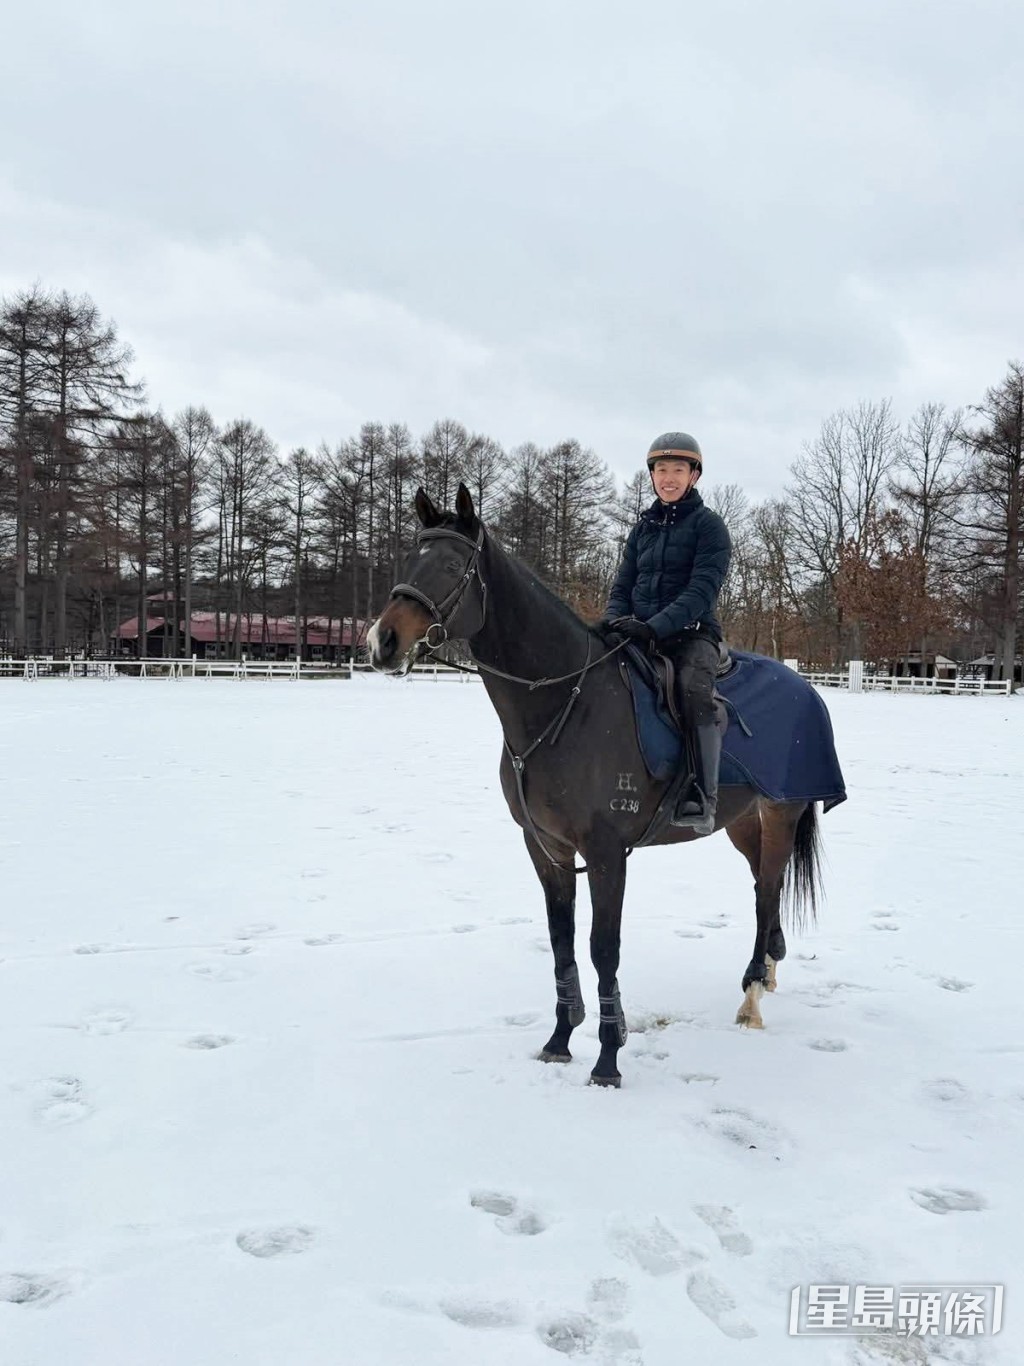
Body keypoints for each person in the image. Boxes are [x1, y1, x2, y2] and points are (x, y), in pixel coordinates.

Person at [599, 432, 732, 835]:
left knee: (694, 694)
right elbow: (622, 585)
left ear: (694, 476)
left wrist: (654, 627)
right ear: (652, 475)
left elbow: (700, 591)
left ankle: (701, 795)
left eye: (678, 470)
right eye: (661, 470)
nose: (668, 478)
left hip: (691, 637)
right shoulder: (643, 529)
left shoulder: (709, 527)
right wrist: (613, 622)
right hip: (638, 633)